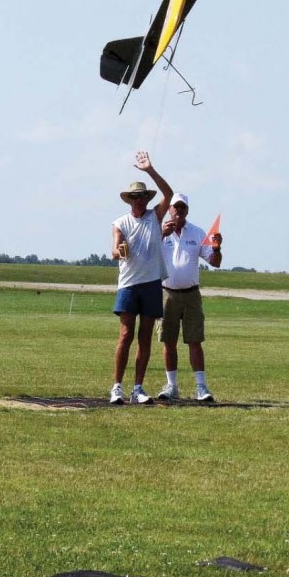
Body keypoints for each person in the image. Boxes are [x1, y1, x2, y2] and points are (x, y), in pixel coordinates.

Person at [110, 151, 173, 405]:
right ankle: (117, 387)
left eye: (142, 197)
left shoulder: (154, 216)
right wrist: (120, 250)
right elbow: (115, 249)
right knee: (126, 334)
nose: (138, 201)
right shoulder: (120, 222)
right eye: (134, 197)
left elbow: (169, 194)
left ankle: (138, 388)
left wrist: (150, 170)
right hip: (128, 284)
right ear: (129, 200)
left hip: (151, 283)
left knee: (146, 336)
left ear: (147, 199)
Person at [157, 192, 223, 403]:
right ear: (169, 210)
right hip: (167, 292)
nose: (178, 211)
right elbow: (146, 253)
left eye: (182, 207)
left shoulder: (197, 232)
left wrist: (217, 247)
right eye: (175, 207)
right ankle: (171, 385)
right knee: (168, 341)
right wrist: (160, 235)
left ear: (187, 210)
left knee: (195, 340)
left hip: (191, 294)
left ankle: (201, 387)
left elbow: (214, 262)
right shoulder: (159, 232)